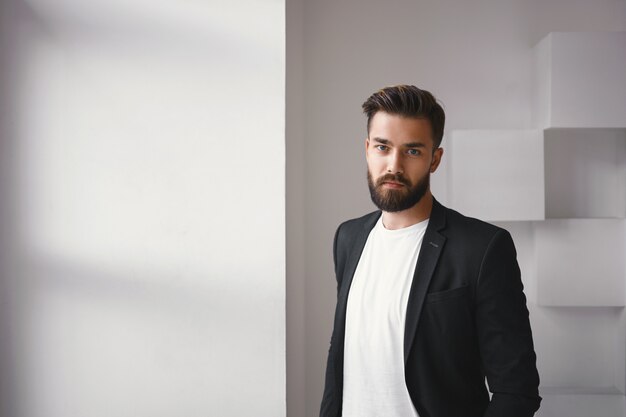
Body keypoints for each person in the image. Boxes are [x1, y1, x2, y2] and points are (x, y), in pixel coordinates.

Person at [319, 85, 541, 417]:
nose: (393, 165)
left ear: (434, 159)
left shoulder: (482, 248)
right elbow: (341, 354)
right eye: (383, 147)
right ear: (367, 150)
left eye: (412, 151)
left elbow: (517, 390)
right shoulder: (348, 237)